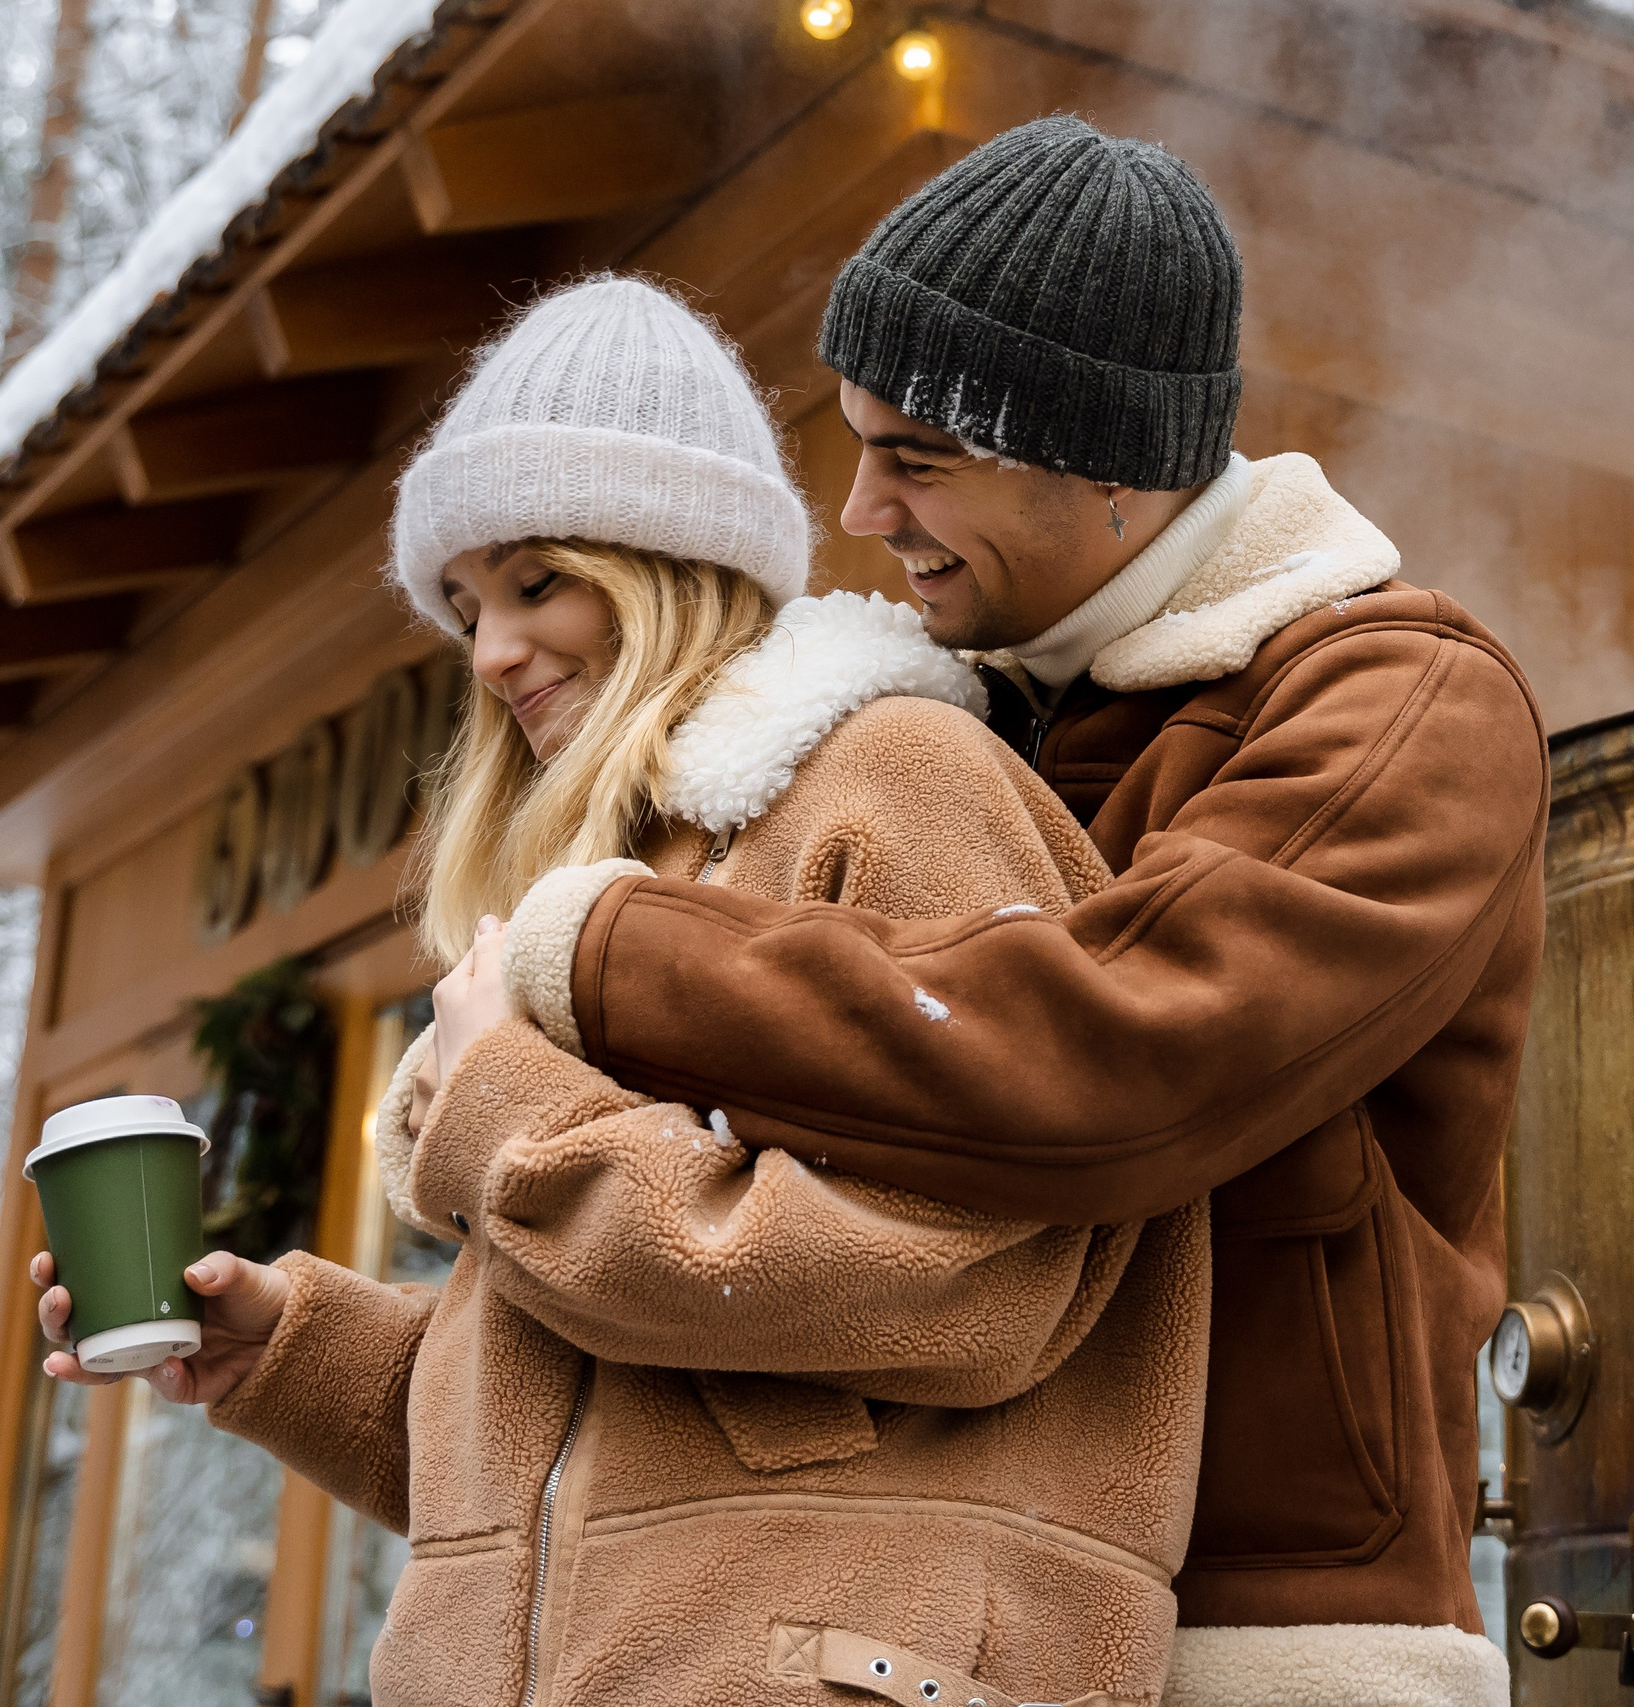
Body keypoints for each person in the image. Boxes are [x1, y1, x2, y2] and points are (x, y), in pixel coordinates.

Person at [447, 120, 1546, 1705]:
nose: (861, 507)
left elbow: (1113, 1050)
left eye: (918, 456)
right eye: (855, 443)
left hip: (1274, 1624)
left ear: (1110, 461)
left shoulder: (1392, 703)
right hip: (990, 1615)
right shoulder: (972, 718)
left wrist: (609, 953)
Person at [33, 275, 1211, 1707]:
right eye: (466, 605)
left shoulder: (892, 780)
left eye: (540, 583)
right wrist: (291, 1348)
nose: (491, 651)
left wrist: (513, 1128)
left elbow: (963, 1280)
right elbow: (595, 1426)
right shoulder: (602, 897)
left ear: (680, 571)